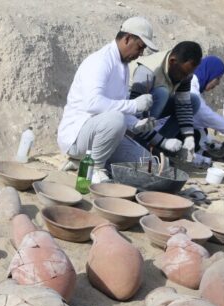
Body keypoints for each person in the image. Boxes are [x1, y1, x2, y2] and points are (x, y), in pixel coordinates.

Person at [57, 17, 157, 184]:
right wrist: (134, 105)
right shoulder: (100, 61)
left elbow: (116, 105)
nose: (140, 54)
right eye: (140, 47)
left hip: (101, 134)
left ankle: (85, 161)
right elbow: (94, 104)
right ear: (127, 39)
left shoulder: (123, 66)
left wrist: (135, 124)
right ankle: (94, 169)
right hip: (76, 137)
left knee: (148, 164)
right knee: (116, 119)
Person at [128, 41, 203, 160]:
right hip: (130, 113)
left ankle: (155, 147)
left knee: (193, 101)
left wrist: (189, 137)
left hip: (150, 110)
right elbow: (133, 115)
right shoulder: (147, 70)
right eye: (183, 73)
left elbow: (183, 106)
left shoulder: (184, 73)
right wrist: (163, 141)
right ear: (172, 61)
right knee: (162, 93)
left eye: (188, 74)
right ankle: (140, 146)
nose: (185, 78)